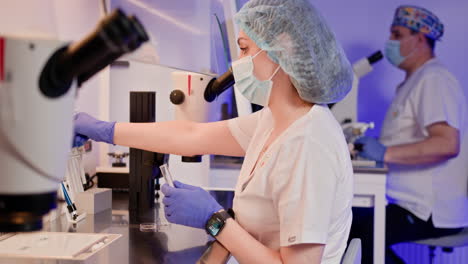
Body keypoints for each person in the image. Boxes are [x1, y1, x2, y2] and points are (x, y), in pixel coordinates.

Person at [74, 0, 355, 263]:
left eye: (244, 49)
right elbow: (190, 136)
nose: (237, 64)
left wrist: (214, 219)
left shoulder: (308, 141)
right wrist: (103, 130)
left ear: (282, 49)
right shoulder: (274, 120)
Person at [351, 5, 468, 264]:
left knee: (361, 233)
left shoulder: (434, 79)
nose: (390, 41)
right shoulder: (414, 82)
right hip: (408, 203)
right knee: (350, 223)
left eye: (397, 34)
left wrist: (385, 153)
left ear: (419, 38)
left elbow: (447, 143)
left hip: (427, 210)